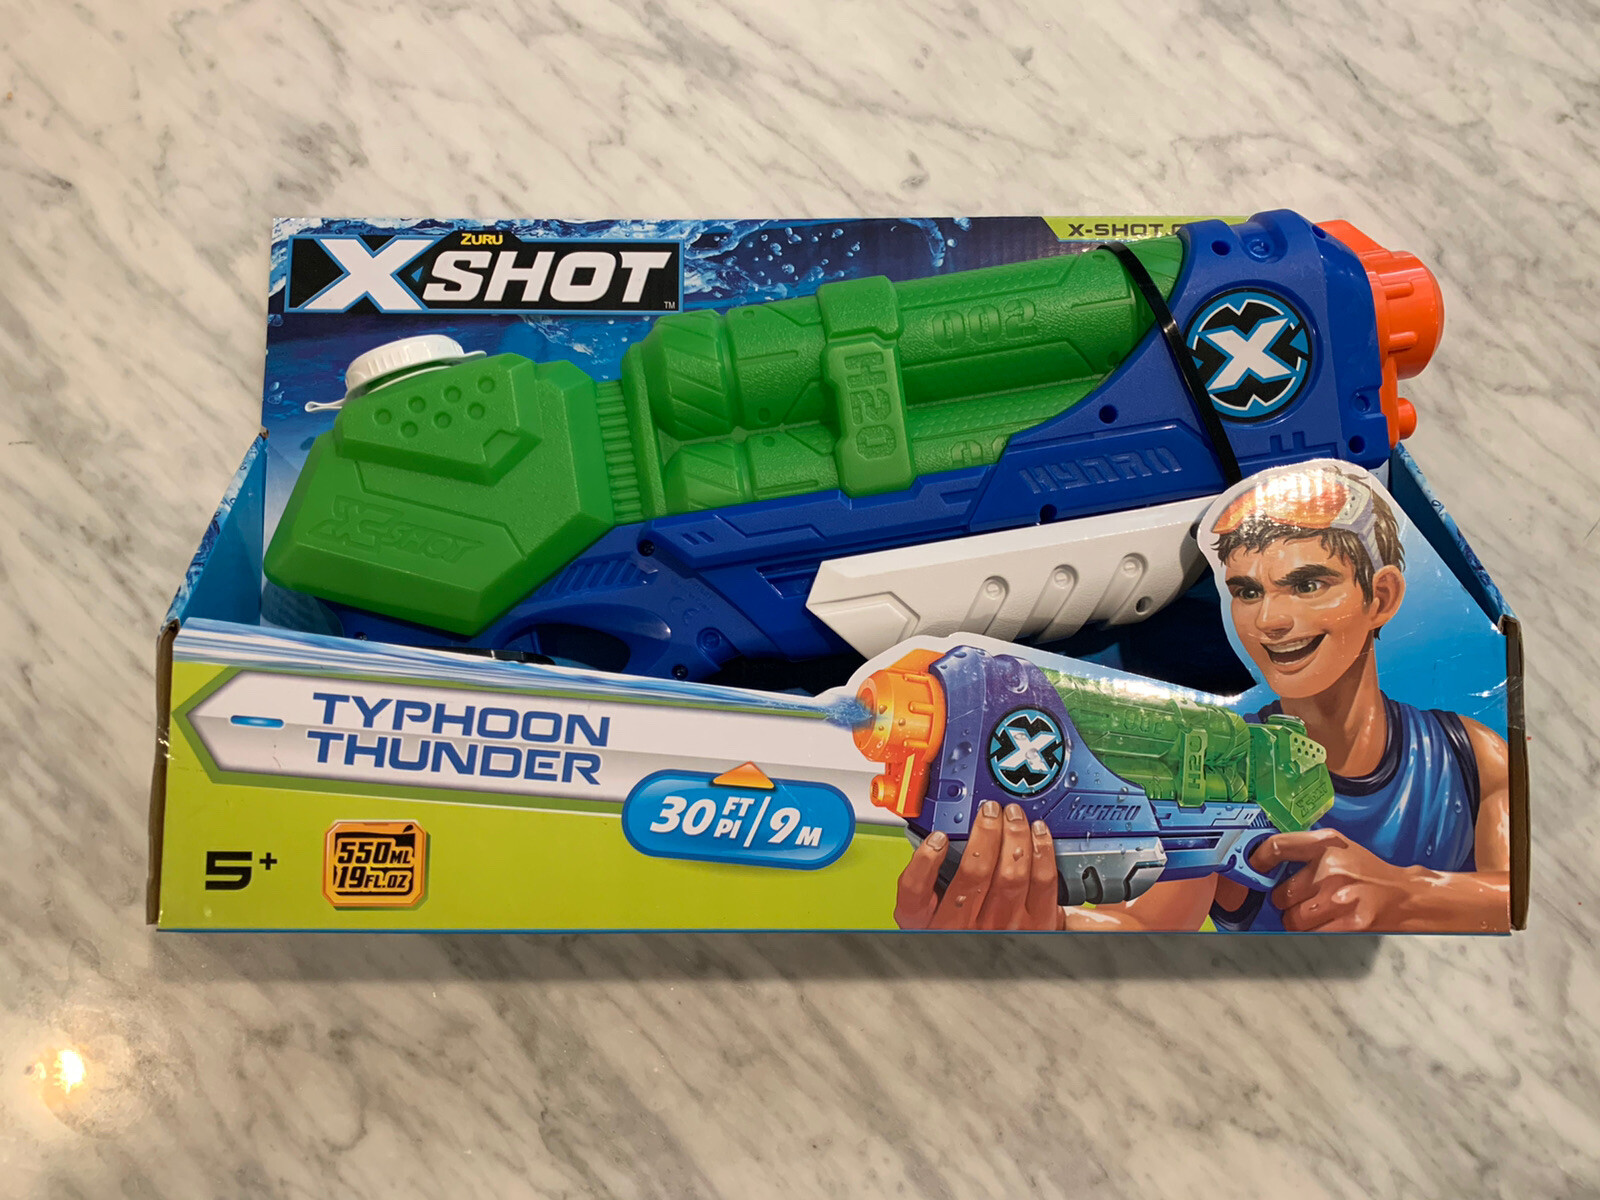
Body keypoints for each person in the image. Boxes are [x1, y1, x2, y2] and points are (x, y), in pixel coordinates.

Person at [893, 465, 1510, 933]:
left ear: (1382, 596)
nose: (1270, 619)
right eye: (1247, 591)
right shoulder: (1217, 758)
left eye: (1307, 584)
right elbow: (1143, 924)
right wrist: (1045, 926)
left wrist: (1408, 894)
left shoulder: (1469, 756)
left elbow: (1519, 894)